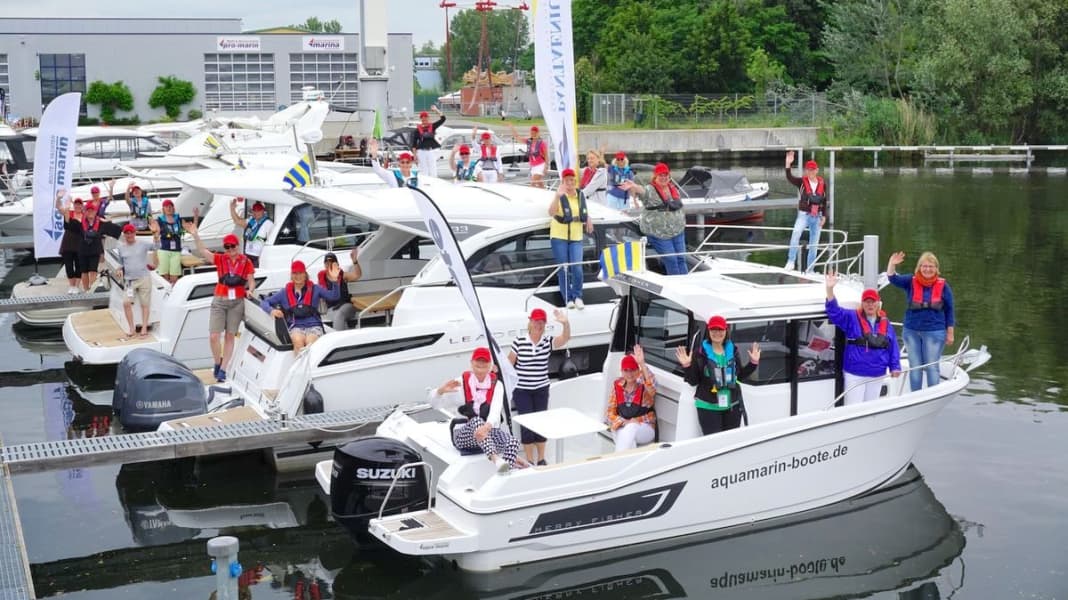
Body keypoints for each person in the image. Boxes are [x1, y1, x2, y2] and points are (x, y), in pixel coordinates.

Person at [428, 347, 531, 472]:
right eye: (478, 361)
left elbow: (495, 411)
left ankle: (504, 473)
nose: (481, 364)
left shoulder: (497, 385)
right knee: (476, 420)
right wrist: (440, 391)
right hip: (463, 436)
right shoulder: (459, 383)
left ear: (490, 366)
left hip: (486, 433)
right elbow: (435, 405)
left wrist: (486, 427)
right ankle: (495, 458)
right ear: (471, 363)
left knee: (513, 442)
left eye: (485, 361)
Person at [185, 223, 255, 382]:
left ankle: (223, 369)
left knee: (230, 335)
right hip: (220, 299)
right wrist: (196, 235)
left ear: (238, 246)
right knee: (214, 336)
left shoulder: (246, 261)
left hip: (237, 301)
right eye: (228, 248)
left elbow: (251, 280)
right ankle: (218, 362)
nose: (231, 251)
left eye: (233, 247)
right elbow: (203, 251)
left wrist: (250, 290)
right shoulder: (221, 259)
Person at [675, 315, 761, 435]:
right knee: (714, 444)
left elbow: (740, 376)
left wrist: (753, 363)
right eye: (713, 329)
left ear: (726, 331)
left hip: (732, 406)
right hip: (708, 407)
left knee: (731, 443)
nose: (717, 333)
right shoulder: (699, 353)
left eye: (720, 329)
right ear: (709, 331)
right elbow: (693, 381)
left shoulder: (733, 351)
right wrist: (687, 366)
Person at [825, 272, 902, 405]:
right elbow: (834, 313)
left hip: (877, 373)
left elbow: (893, 346)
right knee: (853, 409)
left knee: (871, 408)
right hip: (855, 373)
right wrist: (830, 289)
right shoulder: (851, 318)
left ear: (878, 304)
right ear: (862, 303)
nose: (870, 305)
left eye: (873, 302)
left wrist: (895, 366)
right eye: (867, 302)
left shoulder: (886, 323)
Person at [508, 308, 572, 465]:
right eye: (536, 321)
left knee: (541, 422)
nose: (538, 324)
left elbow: (565, 338)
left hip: (541, 388)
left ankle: (541, 458)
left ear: (545, 324)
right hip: (522, 389)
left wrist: (565, 323)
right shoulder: (519, 341)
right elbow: (509, 364)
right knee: (527, 423)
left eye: (541, 322)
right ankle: (529, 460)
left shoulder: (547, 342)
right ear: (530, 322)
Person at [886, 250, 956, 391]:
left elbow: (950, 310)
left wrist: (950, 333)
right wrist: (892, 264)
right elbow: (892, 278)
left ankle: (933, 394)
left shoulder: (944, 286)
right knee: (915, 366)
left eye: (931, 266)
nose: (927, 269)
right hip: (911, 330)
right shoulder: (910, 281)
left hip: (935, 331)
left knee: (931, 366)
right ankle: (916, 395)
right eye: (924, 266)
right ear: (919, 267)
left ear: (936, 269)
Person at [260, 259, 341, 354]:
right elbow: (264, 302)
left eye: (300, 273)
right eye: (295, 273)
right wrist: (271, 311)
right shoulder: (284, 292)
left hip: (314, 326)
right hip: (295, 327)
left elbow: (334, 296)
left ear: (305, 274)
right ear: (291, 275)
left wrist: (335, 281)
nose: (298, 276)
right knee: (298, 342)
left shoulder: (315, 289)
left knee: (310, 343)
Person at [548, 168, 593, 309]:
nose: (570, 183)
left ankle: (578, 296)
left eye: (572, 180)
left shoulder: (580, 195)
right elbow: (551, 212)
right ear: (562, 182)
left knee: (577, 268)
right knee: (564, 269)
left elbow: (582, 212)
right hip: (559, 235)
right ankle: (568, 299)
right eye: (567, 181)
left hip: (576, 236)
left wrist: (589, 218)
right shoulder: (559, 196)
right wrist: (557, 196)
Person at [631, 162, 687, 275]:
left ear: (669, 176)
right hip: (660, 234)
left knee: (681, 258)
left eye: (665, 174)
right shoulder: (650, 189)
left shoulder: (673, 188)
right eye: (660, 175)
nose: (663, 177)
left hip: (678, 231)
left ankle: (685, 282)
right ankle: (676, 285)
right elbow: (642, 191)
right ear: (655, 176)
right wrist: (633, 187)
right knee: (671, 260)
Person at [115, 221, 161, 338]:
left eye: (131, 233)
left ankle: (144, 327)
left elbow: (157, 246)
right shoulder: (121, 248)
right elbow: (121, 263)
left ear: (135, 233)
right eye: (127, 233)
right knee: (126, 303)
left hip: (144, 277)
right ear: (124, 235)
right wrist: (119, 269)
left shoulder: (143, 244)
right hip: (130, 280)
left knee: (145, 304)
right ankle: (131, 328)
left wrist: (155, 235)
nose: (129, 235)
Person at [606, 346, 657, 451]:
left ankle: (616, 462)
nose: (629, 374)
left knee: (630, 428)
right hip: (623, 425)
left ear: (638, 371)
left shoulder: (644, 385)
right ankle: (625, 463)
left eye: (633, 370)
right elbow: (610, 413)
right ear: (622, 371)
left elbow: (652, 387)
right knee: (626, 436)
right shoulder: (617, 386)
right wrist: (624, 422)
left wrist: (642, 363)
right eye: (626, 370)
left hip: (644, 427)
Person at [784, 151, 826, 272]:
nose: (810, 172)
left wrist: (824, 216)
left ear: (817, 170)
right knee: (796, 233)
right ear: (806, 171)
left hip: (817, 216)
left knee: (814, 244)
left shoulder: (823, 183)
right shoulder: (801, 182)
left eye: (813, 170)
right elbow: (789, 177)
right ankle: (791, 261)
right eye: (808, 170)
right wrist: (788, 164)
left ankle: (810, 269)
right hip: (804, 215)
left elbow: (824, 200)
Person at [72, 200, 123, 293]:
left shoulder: (101, 222)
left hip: (95, 250)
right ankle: (86, 289)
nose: (90, 212)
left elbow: (116, 230)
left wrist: (110, 221)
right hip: (82, 250)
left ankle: (91, 290)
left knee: (93, 270)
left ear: (96, 212)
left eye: (92, 210)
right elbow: (69, 226)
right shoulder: (80, 222)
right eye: (88, 210)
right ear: (85, 212)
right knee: (84, 271)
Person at [318, 249, 363, 331]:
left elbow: (357, 275)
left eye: (332, 262)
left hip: (347, 306)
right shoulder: (322, 278)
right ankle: (347, 339)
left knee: (339, 315)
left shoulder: (343, 275)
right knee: (339, 318)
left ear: (337, 264)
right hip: (331, 309)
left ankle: (338, 339)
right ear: (324, 265)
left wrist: (355, 261)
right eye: (327, 263)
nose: (329, 265)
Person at [155, 199, 198, 285]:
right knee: (165, 277)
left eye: (170, 206)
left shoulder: (178, 219)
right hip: (164, 250)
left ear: (173, 208)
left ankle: (173, 291)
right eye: (166, 207)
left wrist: (195, 217)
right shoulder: (159, 220)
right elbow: (156, 233)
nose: (169, 208)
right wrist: (155, 234)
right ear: (163, 209)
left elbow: (192, 229)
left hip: (176, 251)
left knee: (174, 277)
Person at [230, 198, 273, 268]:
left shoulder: (268, 223)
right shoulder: (251, 220)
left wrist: (262, 256)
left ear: (263, 211)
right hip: (247, 254)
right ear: (252, 212)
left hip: (258, 256)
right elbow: (237, 221)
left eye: (259, 211)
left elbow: (270, 241)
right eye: (254, 211)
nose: (256, 213)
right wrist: (232, 209)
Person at [55, 191, 84, 294]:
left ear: (82, 206)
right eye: (76, 204)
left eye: (79, 204)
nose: (78, 206)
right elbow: (58, 207)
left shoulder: (84, 217)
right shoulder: (69, 213)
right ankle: (71, 286)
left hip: (80, 245)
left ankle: (76, 286)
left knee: (79, 266)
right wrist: (58, 198)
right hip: (67, 244)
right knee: (68, 266)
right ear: (74, 205)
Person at [410, 105, 445, 177]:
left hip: (430, 150)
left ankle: (434, 183)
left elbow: (443, 119)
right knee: (423, 170)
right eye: (422, 119)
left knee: (433, 169)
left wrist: (436, 110)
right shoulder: (417, 130)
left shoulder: (432, 126)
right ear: (421, 119)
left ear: (428, 118)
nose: (424, 120)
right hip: (421, 151)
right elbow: (414, 144)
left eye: (425, 118)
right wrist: (415, 156)